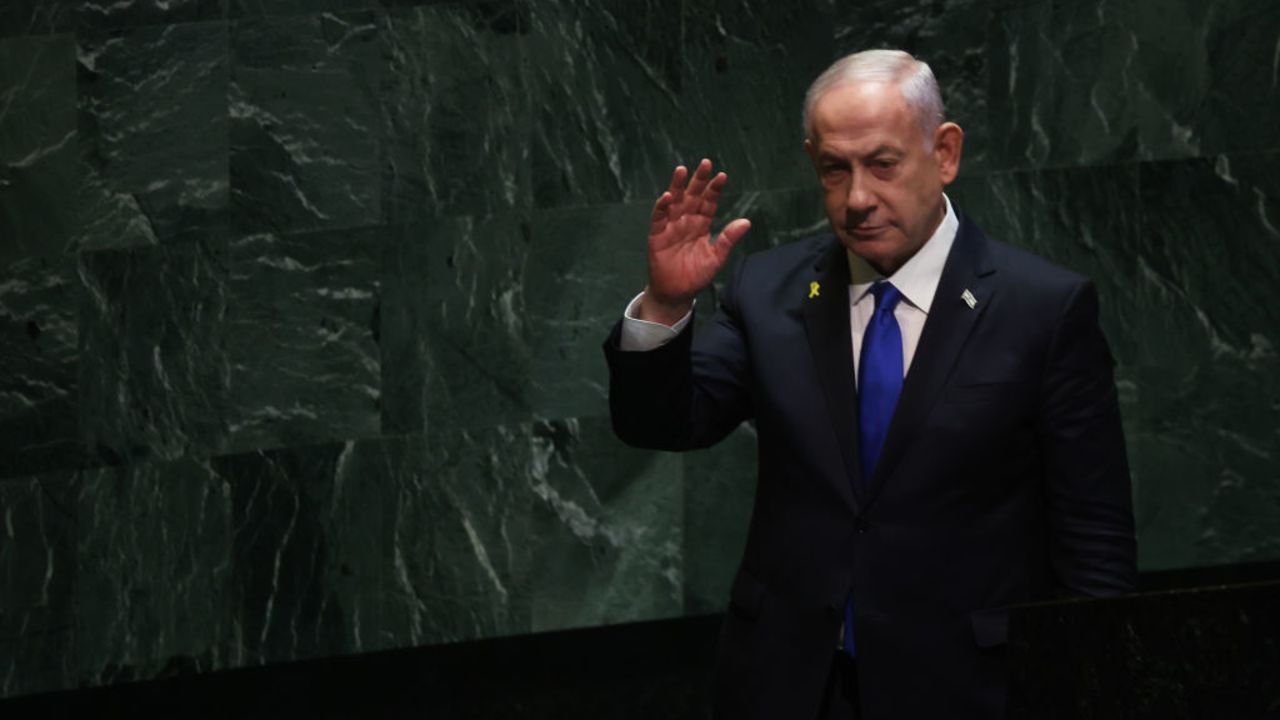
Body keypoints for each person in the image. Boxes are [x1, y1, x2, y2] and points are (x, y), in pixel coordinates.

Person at [601, 49, 1137, 719]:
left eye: (883, 165)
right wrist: (665, 304)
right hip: (789, 686)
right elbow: (663, 422)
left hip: (967, 688)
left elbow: (1096, 546)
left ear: (944, 153)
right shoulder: (769, 292)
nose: (857, 198)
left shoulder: (1043, 310)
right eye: (834, 169)